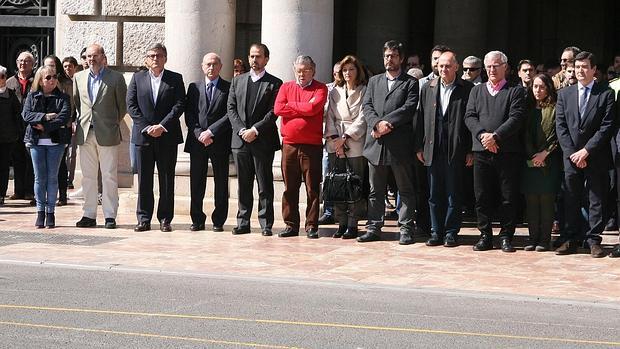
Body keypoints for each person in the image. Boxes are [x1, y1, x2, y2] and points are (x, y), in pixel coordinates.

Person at [464, 50, 527, 253]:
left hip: (507, 152)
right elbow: (470, 116)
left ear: (505, 67)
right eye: (489, 66)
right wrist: (483, 135)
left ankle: (506, 235)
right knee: (482, 195)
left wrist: (496, 137)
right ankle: (485, 235)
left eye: (496, 65)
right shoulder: (476, 91)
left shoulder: (515, 91)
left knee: (507, 197)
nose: (492, 69)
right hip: (482, 151)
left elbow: (516, 118)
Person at [555, 51, 616, 258]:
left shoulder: (606, 93)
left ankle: (593, 240)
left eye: (584, 67)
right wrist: (573, 153)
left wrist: (586, 151)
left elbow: (606, 126)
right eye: (577, 67)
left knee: (595, 198)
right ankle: (571, 238)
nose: (580, 71)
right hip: (571, 157)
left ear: (593, 70)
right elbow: (560, 127)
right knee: (571, 197)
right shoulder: (564, 94)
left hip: (595, 155)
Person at [358, 40, 419, 245]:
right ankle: (374, 227)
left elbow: (409, 108)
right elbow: (367, 106)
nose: (388, 59)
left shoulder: (410, 82)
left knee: (405, 189)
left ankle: (406, 228)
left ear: (401, 59)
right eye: (386, 56)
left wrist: (387, 123)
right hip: (376, 144)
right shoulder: (374, 81)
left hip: (399, 145)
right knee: (376, 190)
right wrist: (376, 124)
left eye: (392, 56)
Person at [416, 51, 473, 247]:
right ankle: (435, 230)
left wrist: (470, 150)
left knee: (453, 193)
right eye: (441, 66)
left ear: (456, 67)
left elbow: (471, 120)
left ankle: (450, 231)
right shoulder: (428, 88)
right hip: (432, 148)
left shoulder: (467, 88)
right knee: (434, 194)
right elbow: (420, 118)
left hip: (456, 149)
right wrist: (419, 147)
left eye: (448, 66)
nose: (444, 69)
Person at [127, 43, 185, 233]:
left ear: (165, 58)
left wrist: (162, 126)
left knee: (166, 180)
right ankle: (143, 219)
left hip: (166, 136)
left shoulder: (175, 79)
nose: (155, 59)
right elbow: (131, 105)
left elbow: (179, 105)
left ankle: (165, 219)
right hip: (144, 137)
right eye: (151, 55)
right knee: (144, 180)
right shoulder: (137, 78)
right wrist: (146, 127)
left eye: (159, 55)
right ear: (146, 59)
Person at [227, 43, 282, 236]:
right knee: (243, 184)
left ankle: (266, 224)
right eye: (251, 56)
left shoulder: (275, 83)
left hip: (262, 141)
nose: (254, 60)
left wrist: (255, 130)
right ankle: (243, 222)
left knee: (264, 184)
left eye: (258, 56)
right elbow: (231, 109)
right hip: (241, 141)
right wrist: (243, 130)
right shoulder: (237, 81)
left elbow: (273, 112)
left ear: (266, 59)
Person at [73, 44, 127, 229]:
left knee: (109, 176)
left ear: (103, 57)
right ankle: (89, 214)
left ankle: (110, 215)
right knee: (87, 177)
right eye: (88, 56)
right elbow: (77, 104)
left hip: (107, 133)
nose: (91, 59)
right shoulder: (78, 77)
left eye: (95, 56)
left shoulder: (116, 78)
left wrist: (111, 124)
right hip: (86, 133)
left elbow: (122, 107)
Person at [274, 55, 327, 239]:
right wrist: (304, 106)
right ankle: (290, 224)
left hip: (311, 146)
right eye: (299, 69)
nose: (302, 73)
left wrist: (292, 106)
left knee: (312, 188)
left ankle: (311, 225)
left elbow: (314, 109)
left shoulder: (320, 88)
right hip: (289, 145)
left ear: (313, 70)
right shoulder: (286, 87)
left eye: (306, 69)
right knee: (290, 187)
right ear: (293, 70)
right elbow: (278, 109)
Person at [184, 53, 231, 232]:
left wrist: (211, 132)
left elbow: (230, 114)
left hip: (219, 141)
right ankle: (197, 219)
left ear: (220, 66)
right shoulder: (193, 87)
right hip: (198, 142)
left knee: (221, 182)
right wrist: (199, 133)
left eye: (214, 64)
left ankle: (219, 220)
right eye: (208, 64)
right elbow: (189, 114)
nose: (211, 68)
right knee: (196, 182)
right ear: (202, 67)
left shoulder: (229, 87)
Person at [22, 65, 71, 228]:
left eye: (54, 76)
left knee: (52, 177)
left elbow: (64, 117)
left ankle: (51, 213)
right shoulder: (32, 95)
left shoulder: (62, 97)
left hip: (55, 142)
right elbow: (26, 115)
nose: (52, 80)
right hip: (36, 142)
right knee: (39, 178)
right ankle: (40, 212)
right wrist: (45, 116)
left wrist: (45, 126)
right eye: (48, 77)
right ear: (41, 81)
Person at [324, 55, 368, 239]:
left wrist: (346, 137)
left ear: (357, 71)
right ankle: (341, 222)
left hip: (354, 141)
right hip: (335, 142)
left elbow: (364, 117)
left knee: (354, 184)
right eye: (344, 70)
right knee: (338, 183)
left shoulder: (365, 90)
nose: (347, 73)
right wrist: (336, 140)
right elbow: (329, 117)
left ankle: (353, 223)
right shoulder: (334, 92)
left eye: (351, 69)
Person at [521, 74, 562, 252]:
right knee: (531, 201)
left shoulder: (555, 107)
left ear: (549, 88)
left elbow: (557, 134)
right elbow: (523, 135)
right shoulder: (527, 107)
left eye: (542, 87)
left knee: (546, 201)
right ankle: (533, 237)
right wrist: (532, 156)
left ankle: (544, 239)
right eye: (535, 87)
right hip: (529, 162)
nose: (538, 90)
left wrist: (544, 154)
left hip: (550, 161)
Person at [43, 55, 74, 206]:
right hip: (44, 128)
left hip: (62, 127)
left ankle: (62, 194)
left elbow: (71, 105)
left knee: (60, 163)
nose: (50, 69)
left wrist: (66, 122)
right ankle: (43, 195)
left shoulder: (66, 83)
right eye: (46, 65)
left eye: (52, 66)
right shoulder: (39, 82)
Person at [6, 51, 35, 203]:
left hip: (31, 126)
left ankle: (29, 191)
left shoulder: (37, 81)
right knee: (17, 158)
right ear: (16, 63)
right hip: (15, 127)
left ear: (33, 64)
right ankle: (19, 190)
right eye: (20, 61)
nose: (23, 64)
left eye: (27, 61)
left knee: (30, 159)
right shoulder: (10, 81)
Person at [318, 62, 341, 226]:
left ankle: (345, 212)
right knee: (328, 176)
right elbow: (322, 111)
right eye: (335, 73)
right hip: (329, 139)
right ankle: (328, 211)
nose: (337, 75)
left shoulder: (355, 88)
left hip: (349, 139)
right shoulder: (327, 89)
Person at [0, 65, 22, 206]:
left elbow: (17, 114)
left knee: (3, 167)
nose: (0, 79)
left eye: (2, 76)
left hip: (6, 137)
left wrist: (15, 131)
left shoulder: (11, 94)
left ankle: (1, 194)